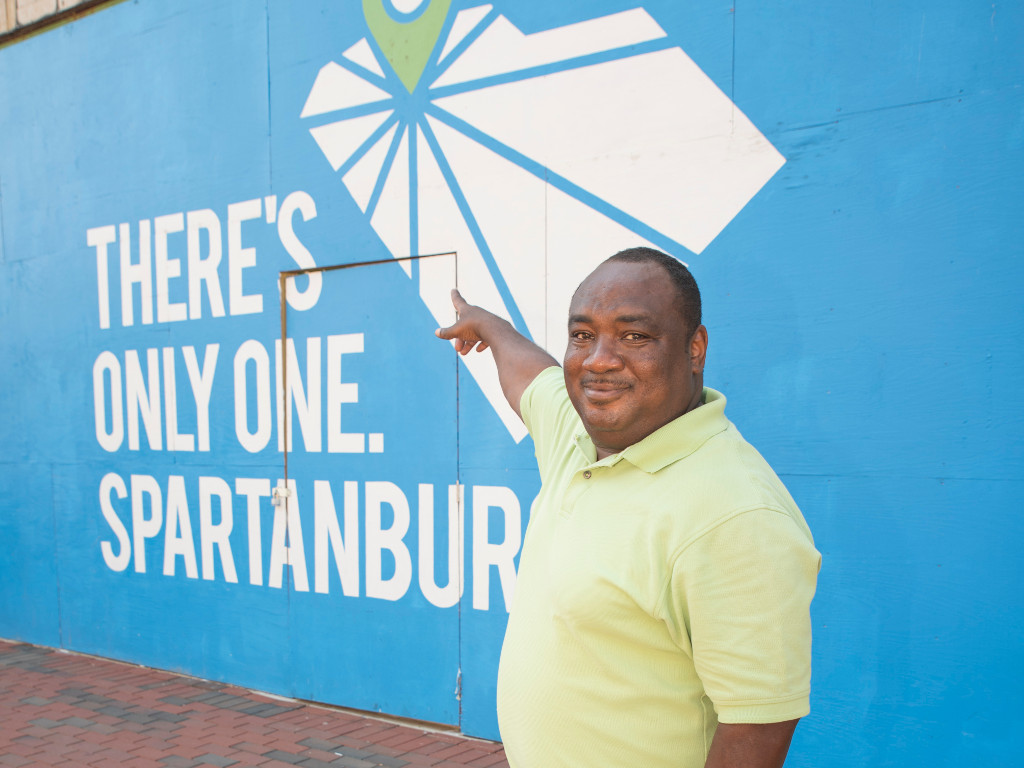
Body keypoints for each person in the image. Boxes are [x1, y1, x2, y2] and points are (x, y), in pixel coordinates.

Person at [435, 247, 820, 768]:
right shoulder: (579, 439)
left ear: (694, 348)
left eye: (634, 336)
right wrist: (492, 329)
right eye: (582, 335)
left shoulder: (737, 514)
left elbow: (758, 731)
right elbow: (535, 379)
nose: (598, 360)